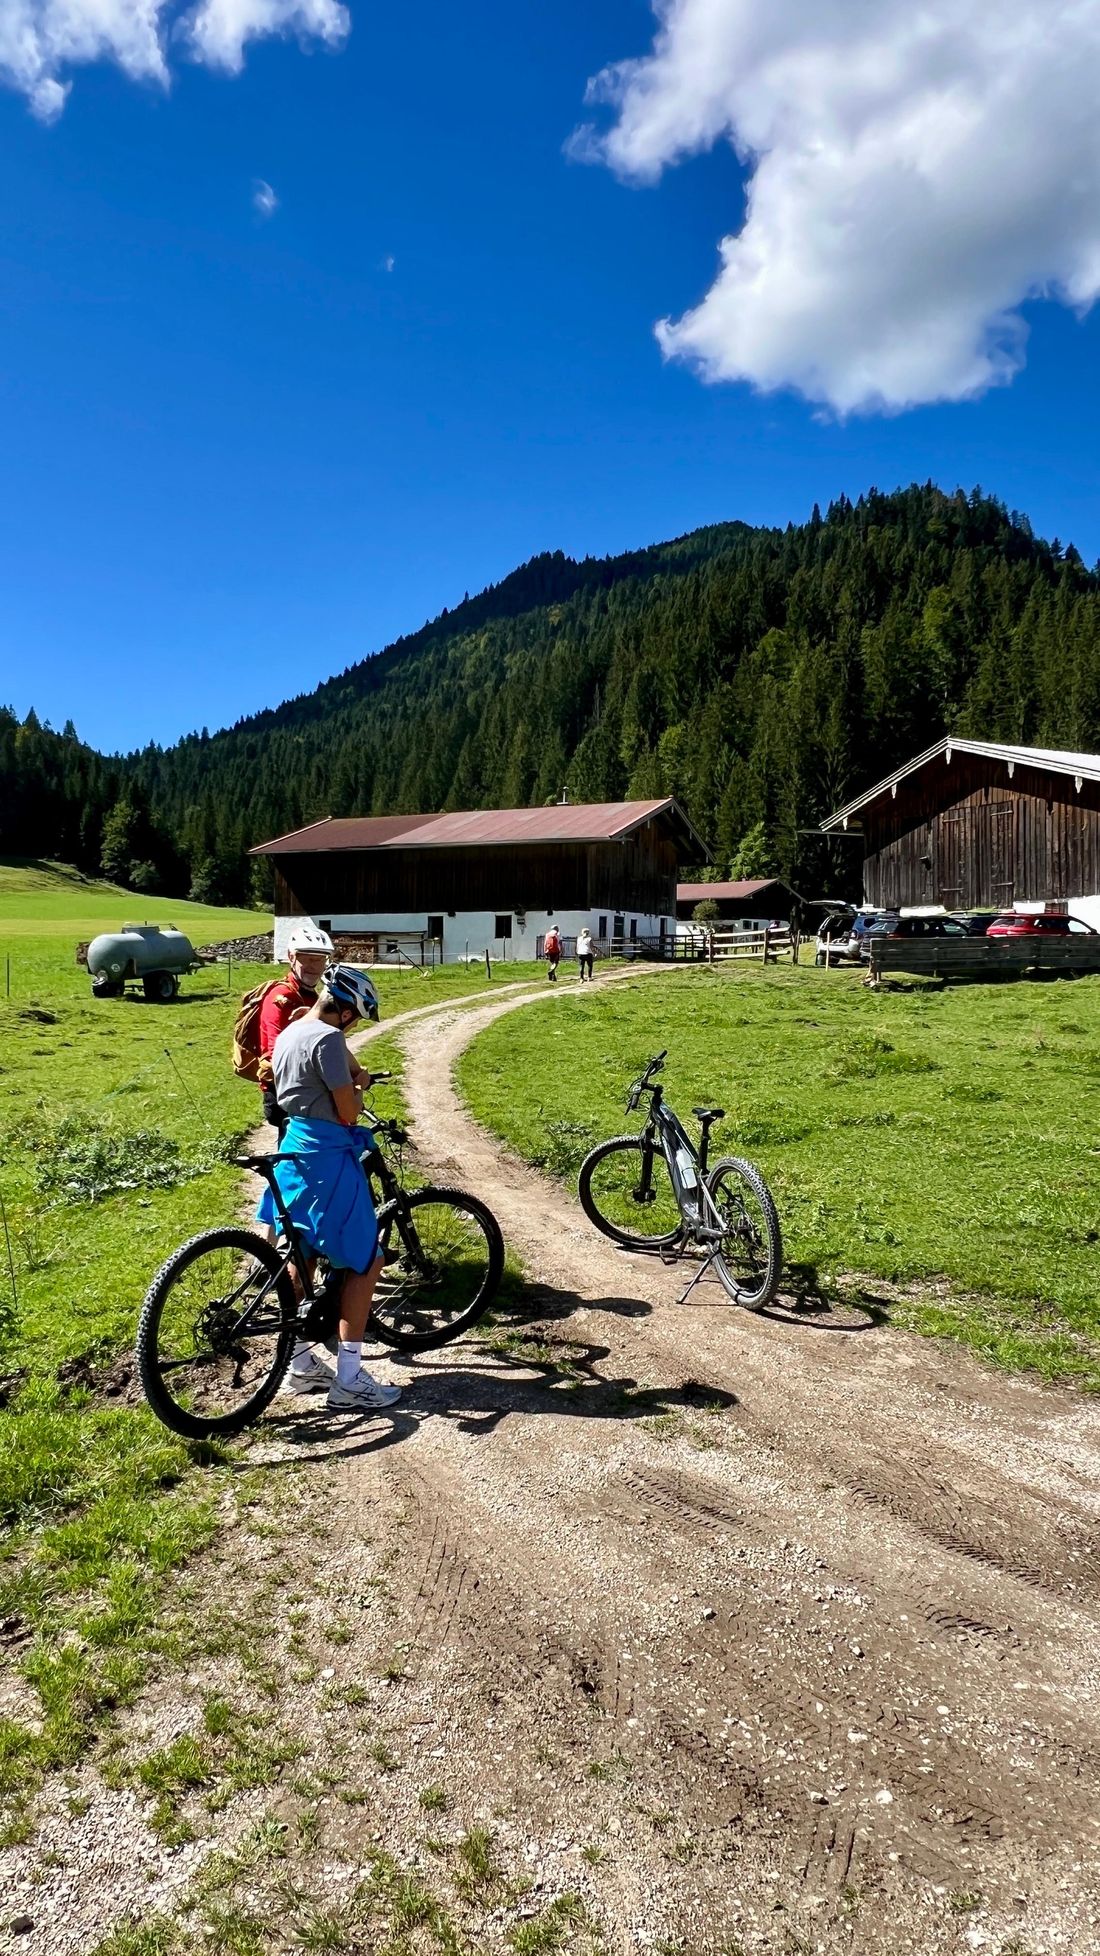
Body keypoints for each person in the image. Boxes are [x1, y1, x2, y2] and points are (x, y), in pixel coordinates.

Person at [267, 962, 401, 1413]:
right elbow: (348, 1112)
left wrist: (355, 1071)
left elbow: (338, 1068)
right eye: (356, 1018)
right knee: (368, 1259)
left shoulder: (291, 1032)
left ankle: (299, 1363)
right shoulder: (327, 1039)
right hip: (328, 1155)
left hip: (294, 1148)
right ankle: (349, 1379)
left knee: (301, 1254)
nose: (355, 1026)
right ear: (345, 1013)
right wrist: (359, 1089)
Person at [257, 924, 335, 1140]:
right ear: (291, 957)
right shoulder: (281, 997)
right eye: (306, 959)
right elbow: (276, 1051)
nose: (314, 966)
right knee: (295, 1151)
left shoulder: (311, 996)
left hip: (305, 1086)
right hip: (284, 1089)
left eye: (320, 959)